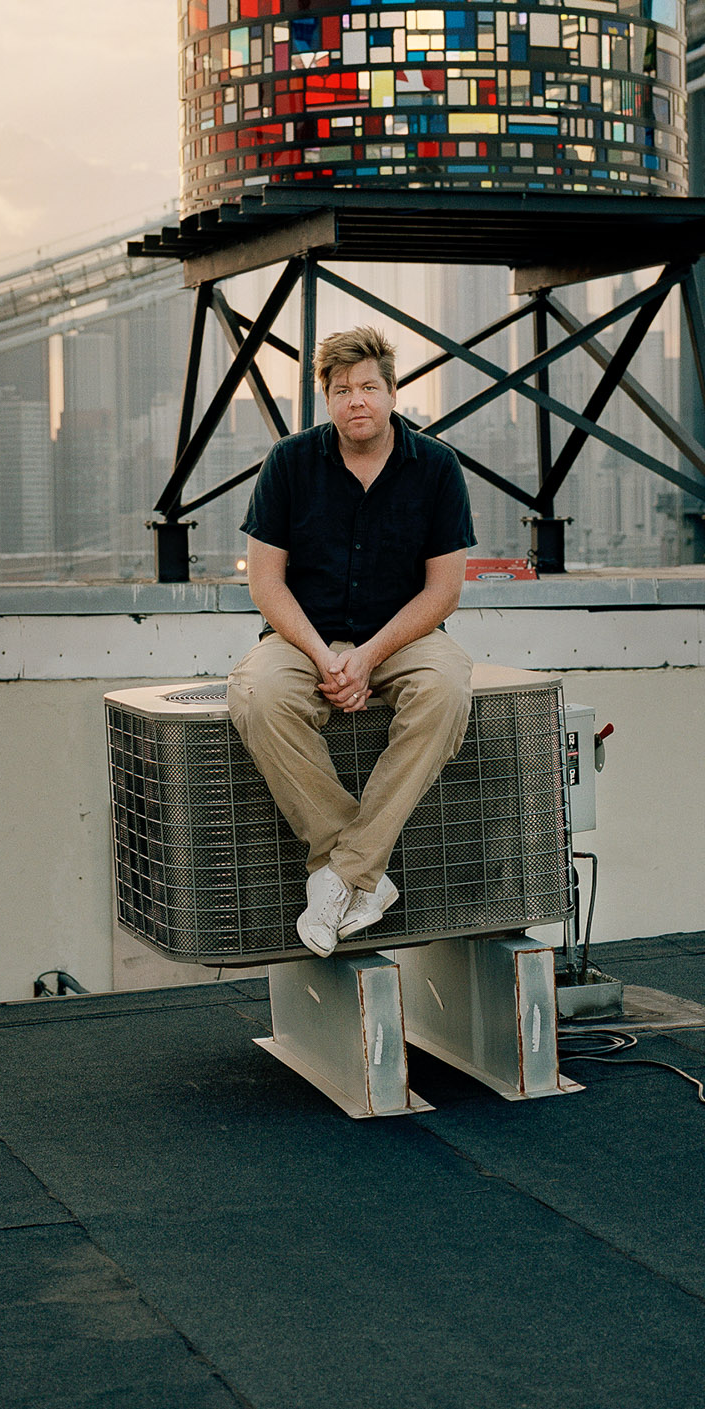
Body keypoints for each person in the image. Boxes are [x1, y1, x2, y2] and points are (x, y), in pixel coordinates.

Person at [228, 324, 475, 957]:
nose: (356, 400)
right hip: (303, 635)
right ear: (328, 400)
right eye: (341, 390)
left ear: (392, 393)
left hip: (403, 635)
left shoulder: (437, 467)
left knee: (446, 689)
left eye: (368, 387)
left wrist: (366, 658)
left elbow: (443, 592)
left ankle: (339, 875)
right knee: (257, 695)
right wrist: (324, 656)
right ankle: (359, 872)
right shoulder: (289, 462)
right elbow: (266, 582)